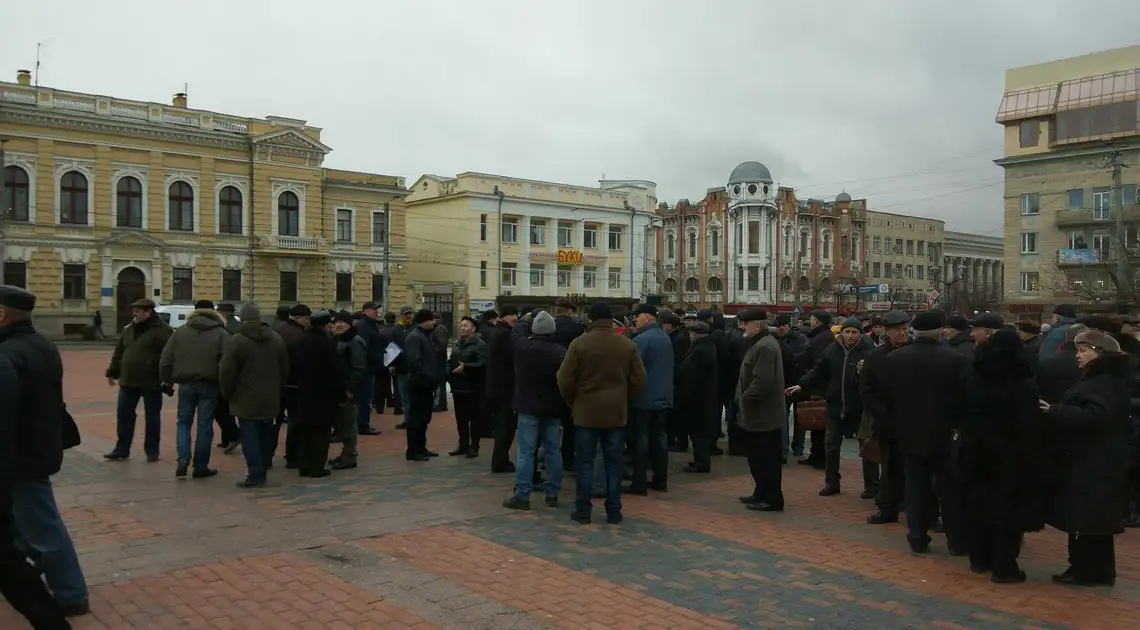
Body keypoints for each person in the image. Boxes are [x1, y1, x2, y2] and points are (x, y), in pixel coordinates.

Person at [0, 286, 86, 626]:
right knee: (25, 524)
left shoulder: (12, 353)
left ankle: (70, 594)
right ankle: (31, 580)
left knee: (43, 526)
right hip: (35, 448)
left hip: (22, 454)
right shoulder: (40, 344)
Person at [1039, 328, 1132, 587]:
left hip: (1094, 459)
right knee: (1094, 518)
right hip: (1096, 458)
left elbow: (1097, 417)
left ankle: (1087, 570)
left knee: (1087, 517)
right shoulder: (1104, 378)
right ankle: (1092, 568)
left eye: (1083, 350)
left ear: (1099, 353)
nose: (1077, 356)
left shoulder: (1102, 381)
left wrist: (1056, 411)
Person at [961, 328, 1045, 583]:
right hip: (1011, 455)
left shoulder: (975, 374)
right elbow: (1029, 425)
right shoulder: (1022, 381)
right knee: (1009, 510)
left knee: (979, 505)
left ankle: (979, 558)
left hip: (977, 451)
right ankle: (1004, 565)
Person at [883, 309, 970, 554]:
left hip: (909, 433)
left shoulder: (895, 359)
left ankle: (917, 537)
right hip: (946, 434)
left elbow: (885, 397)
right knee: (949, 489)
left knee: (915, 487)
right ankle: (956, 541)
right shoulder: (956, 359)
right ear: (940, 332)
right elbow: (965, 398)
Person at [557, 302, 646, 525]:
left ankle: (583, 511)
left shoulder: (579, 344)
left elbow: (564, 379)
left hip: (586, 412)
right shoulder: (626, 345)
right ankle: (614, 511)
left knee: (585, 463)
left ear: (590, 319)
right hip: (616, 412)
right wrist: (624, 397)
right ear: (610, 320)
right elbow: (639, 379)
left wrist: (573, 401)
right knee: (613, 463)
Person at [786, 317, 874, 497]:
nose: (850, 336)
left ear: (860, 333)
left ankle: (872, 486)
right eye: (847, 332)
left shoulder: (868, 350)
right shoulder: (833, 349)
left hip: (859, 407)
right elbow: (819, 370)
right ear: (842, 332)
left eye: (854, 332)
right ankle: (832, 482)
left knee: (866, 446)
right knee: (831, 445)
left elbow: (877, 378)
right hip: (835, 405)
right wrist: (802, 385)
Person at [219, 304, 289, 488]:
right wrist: (278, 389)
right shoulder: (276, 338)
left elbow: (227, 371)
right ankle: (264, 464)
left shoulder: (238, 340)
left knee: (249, 436)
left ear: (242, 319)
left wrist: (227, 393)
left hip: (246, 397)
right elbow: (284, 368)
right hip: (271, 396)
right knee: (267, 433)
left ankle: (256, 473)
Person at [503, 312, 567, 510]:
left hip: (528, 406)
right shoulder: (560, 352)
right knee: (553, 451)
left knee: (526, 452)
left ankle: (522, 495)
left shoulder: (523, 347)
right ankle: (553, 493)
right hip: (553, 406)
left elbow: (515, 333)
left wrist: (525, 320)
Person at [159, 300, 228, 479]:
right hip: (209, 384)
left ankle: (182, 460)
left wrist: (167, 380)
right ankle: (200, 467)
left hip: (186, 384)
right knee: (205, 426)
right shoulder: (220, 333)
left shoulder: (181, 331)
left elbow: (166, 358)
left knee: (183, 423)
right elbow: (227, 362)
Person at [104, 298, 173, 462]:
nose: (134, 314)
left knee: (152, 417)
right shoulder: (129, 329)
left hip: (151, 381)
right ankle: (122, 449)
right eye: (133, 311)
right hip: (128, 380)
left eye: (137, 311)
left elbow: (169, 356)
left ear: (148, 312)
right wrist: (112, 372)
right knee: (124, 415)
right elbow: (119, 351)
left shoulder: (163, 330)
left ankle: (152, 450)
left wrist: (167, 379)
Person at [860, 310, 911, 524]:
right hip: (888, 422)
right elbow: (866, 389)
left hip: (916, 421)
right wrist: (881, 413)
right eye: (897, 329)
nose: (903, 332)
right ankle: (888, 507)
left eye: (905, 328)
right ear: (887, 331)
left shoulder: (916, 352)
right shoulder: (876, 356)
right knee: (890, 466)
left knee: (917, 468)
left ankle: (916, 507)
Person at [734, 308, 787, 513]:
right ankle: (761, 493)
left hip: (763, 415)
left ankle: (772, 499)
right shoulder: (760, 343)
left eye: (745, 324)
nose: (742, 327)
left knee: (766, 459)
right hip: (758, 415)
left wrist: (744, 400)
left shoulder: (764, 346)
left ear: (756, 326)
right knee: (757, 458)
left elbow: (762, 382)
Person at [626, 304, 674, 494]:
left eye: (637, 317)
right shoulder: (664, 337)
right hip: (663, 396)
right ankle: (660, 480)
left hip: (643, 398)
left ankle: (639, 482)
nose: (634, 320)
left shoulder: (641, 340)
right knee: (660, 439)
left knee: (640, 440)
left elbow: (634, 370)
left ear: (647, 317)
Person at [294, 311, 345, 478]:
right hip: (323, 394)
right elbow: (335, 371)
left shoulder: (302, 341)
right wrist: (340, 394)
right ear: (325, 325)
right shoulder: (326, 344)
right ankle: (316, 467)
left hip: (303, 392)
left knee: (305, 432)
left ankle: (303, 465)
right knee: (321, 433)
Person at [794, 310, 835, 469]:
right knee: (816, 422)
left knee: (817, 421)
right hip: (817, 384)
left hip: (818, 386)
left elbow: (818, 364)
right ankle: (816, 454)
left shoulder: (821, 338)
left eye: (812, 319)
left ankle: (819, 456)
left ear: (817, 321)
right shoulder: (822, 336)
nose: (810, 321)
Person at [677, 321, 719, 473]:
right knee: (698, 432)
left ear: (695, 334)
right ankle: (699, 460)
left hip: (699, 399)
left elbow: (693, 377)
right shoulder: (704, 347)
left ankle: (702, 463)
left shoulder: (701, 351)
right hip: (702, 398)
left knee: (699, 433)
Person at [329, 311, 368, 470]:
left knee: (349, 423)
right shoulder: (340, 339)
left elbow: (358, 367)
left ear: (350, 324)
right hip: (340, 388)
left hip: (349, 390)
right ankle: (345, 452)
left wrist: (350, 388)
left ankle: (350, 456)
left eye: (342, 322)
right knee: (342, 423)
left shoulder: (355, 341)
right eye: (336, 322)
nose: (338, 325)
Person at [274, 304, 309, 469]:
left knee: (274, 423)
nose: (307, 322)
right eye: (306, 319)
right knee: (295, 421)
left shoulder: (279, 331)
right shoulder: (300, 336)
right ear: (301, 318)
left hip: (277, 384)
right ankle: (292, 456)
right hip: (295, 384)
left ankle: (266, 457)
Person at [403, 309, 441, 461]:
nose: (433, 322)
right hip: (419, 384)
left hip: (426, 384)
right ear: (423, 321)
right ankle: (413, 450)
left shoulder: (425, 336)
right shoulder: (415, 337)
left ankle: (421, 447)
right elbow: (415, 362)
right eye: (431, 320)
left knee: (424, 417)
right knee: (416, 418)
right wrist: (429, 376)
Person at [448, 316, 488, 457]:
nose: (463, 328)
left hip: (473, 387)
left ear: (473, 328)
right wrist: (448, 374)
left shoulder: (480, 344)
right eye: (462, 325)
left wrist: (466, 367)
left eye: (466, 326)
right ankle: (463, 445)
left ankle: (474, 446)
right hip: (458, 387)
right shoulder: (457, 343)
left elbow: (483, 364)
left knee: (474, 419)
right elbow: (451, 361)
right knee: (461, 418)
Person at [487, 305, 519, 472]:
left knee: (504, 426)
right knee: (505, 427)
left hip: (499, 388)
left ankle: (501, 460)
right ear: (503, 317)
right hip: (504, 389)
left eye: (516, 314)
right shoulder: (504, 334)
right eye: (511, 315)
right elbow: (512, 358)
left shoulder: (500, 332)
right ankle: (499, 462)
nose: (515, 318)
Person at [213, 303, 242, 452]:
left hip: (227, 373)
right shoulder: (231, 325)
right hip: (227, 372)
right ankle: (227, 438)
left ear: (224, 313)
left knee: (220, 408)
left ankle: (234, 435)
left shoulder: (229, 328)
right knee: (222, 408)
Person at [354, 302, 385, 436]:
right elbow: (366, 348)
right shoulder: (364, 326)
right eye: (374, 310)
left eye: (377, 309)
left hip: (369, 367)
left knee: (365, 397)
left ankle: (362, 423)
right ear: (365, 311)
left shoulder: (369, 325)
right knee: (365, 398)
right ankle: (362, 424)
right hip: (366, 367)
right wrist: (378, 358)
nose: (376, 312)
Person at [430, 313, 451, 412]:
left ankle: (439, 404)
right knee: (441, 382)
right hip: (440, 358)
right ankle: (443, 403)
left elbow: (441, 345)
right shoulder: (440, 328)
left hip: (439, 359)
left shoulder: (439, 329)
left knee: (440, 382)